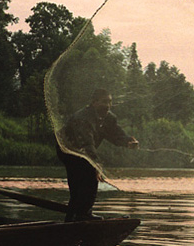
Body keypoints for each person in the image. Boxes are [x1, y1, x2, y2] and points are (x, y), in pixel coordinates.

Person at [56, 89, 138, 222]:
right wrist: (96, 165)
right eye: (104, 102)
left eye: (110, 102)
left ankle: (76, 216)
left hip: (84, 152)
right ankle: (81, 216)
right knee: (83, 180)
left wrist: (128, 141)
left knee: (85, 181)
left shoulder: (109, 118)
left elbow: (116, 134)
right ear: (94, 102)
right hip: (68, 151)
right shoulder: (82, 118)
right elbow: (87, 144)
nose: (108, 105)